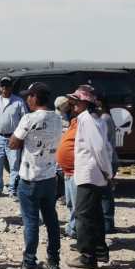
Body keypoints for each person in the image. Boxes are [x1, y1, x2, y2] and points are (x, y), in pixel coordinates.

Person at [6, 83, 63, 269]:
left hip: (30, 178)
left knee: (31, 222)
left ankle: (28, 265)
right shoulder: (57, 118)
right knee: (51, 221)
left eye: (29, 96)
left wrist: (22, 139)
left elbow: (13, 143)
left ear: (35, 96)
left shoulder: (29, 118)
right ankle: (54, 262)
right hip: (49, 176)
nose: (26, 100)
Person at [66, 85, 113, 269]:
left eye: (76, 100)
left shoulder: (87, 119)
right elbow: (105, 147)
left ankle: (87, 255)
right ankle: (100, 250)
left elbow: (100, 148)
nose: (73, 104)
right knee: (95, 213)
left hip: (90, 173)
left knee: (83, 214)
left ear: (85, 102)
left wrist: (107, 171)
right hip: (94, 173)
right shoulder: (94, 119)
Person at [0, 76, 27, 198]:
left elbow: (25, 120)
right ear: (0, 87)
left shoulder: (18, 102)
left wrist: (21, 137)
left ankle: (13, 189)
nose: (4, 88)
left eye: (7, 86)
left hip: (13, 137)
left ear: (11, 87)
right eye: (2, 86)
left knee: (14, 165)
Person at [56, 97, 79, 238]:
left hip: (75, 169)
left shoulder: (79, 121)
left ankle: (75, 230)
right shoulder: (58, 118)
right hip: (64, 169)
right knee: (70, 202)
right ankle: (72, 227)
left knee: (76, 204)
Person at [98, 96, 119, 234]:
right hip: (110, 158)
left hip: (108, 159)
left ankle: (107, 224)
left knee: (105, 194)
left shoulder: (104, 119)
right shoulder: (106, 118)